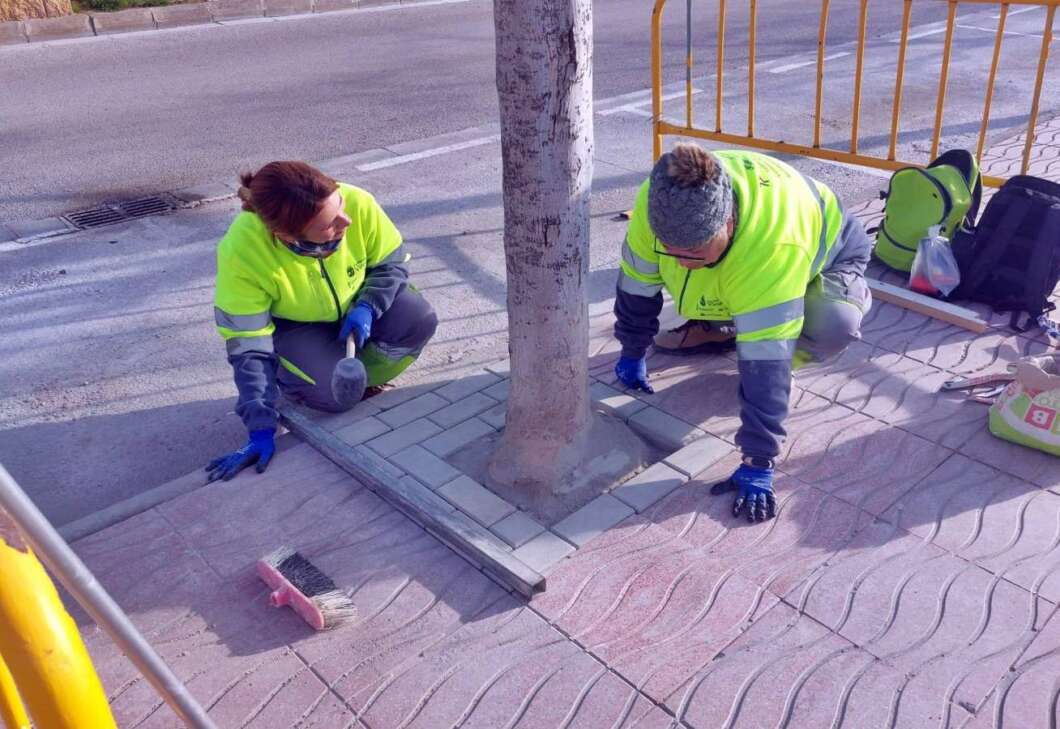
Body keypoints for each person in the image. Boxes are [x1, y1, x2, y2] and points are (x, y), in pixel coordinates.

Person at [613, 144, 872, 522]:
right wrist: (632, 350)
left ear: (728, 222)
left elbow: (766, 357)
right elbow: (637, 286)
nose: (682, 261)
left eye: (694, 251)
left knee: (832, 324)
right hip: (741, 262)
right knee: (720, 287)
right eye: (670, 251)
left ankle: (787, 356)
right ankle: (722, 330)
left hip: (827, 257)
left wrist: (759, 459)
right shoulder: (657, 204)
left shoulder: (772, 247)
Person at [206, 161, 437, 482]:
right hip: (296, 326)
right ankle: (294, 377)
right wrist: (260, 426)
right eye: (331, 223)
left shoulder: (355, 201)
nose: (347, 219)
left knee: (417, 320)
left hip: (357, 305)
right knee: (334, 397)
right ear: (285, 235)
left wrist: (368, 306)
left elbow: (390, 265)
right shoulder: (243, 252)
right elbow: (248, 345)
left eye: (339, 205)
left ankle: (355, 378)